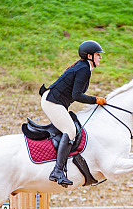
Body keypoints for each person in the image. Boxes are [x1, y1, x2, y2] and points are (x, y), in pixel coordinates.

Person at [40, 40, 107, 187]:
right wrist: (96, 100)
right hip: (52, 102)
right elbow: (77, 95)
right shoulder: (83, 69)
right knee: (70, 131)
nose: (100, 57)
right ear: (89, 56)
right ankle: (57, 171)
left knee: (70, 129)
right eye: (97, 55)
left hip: (54, 100)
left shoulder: (83, 67)